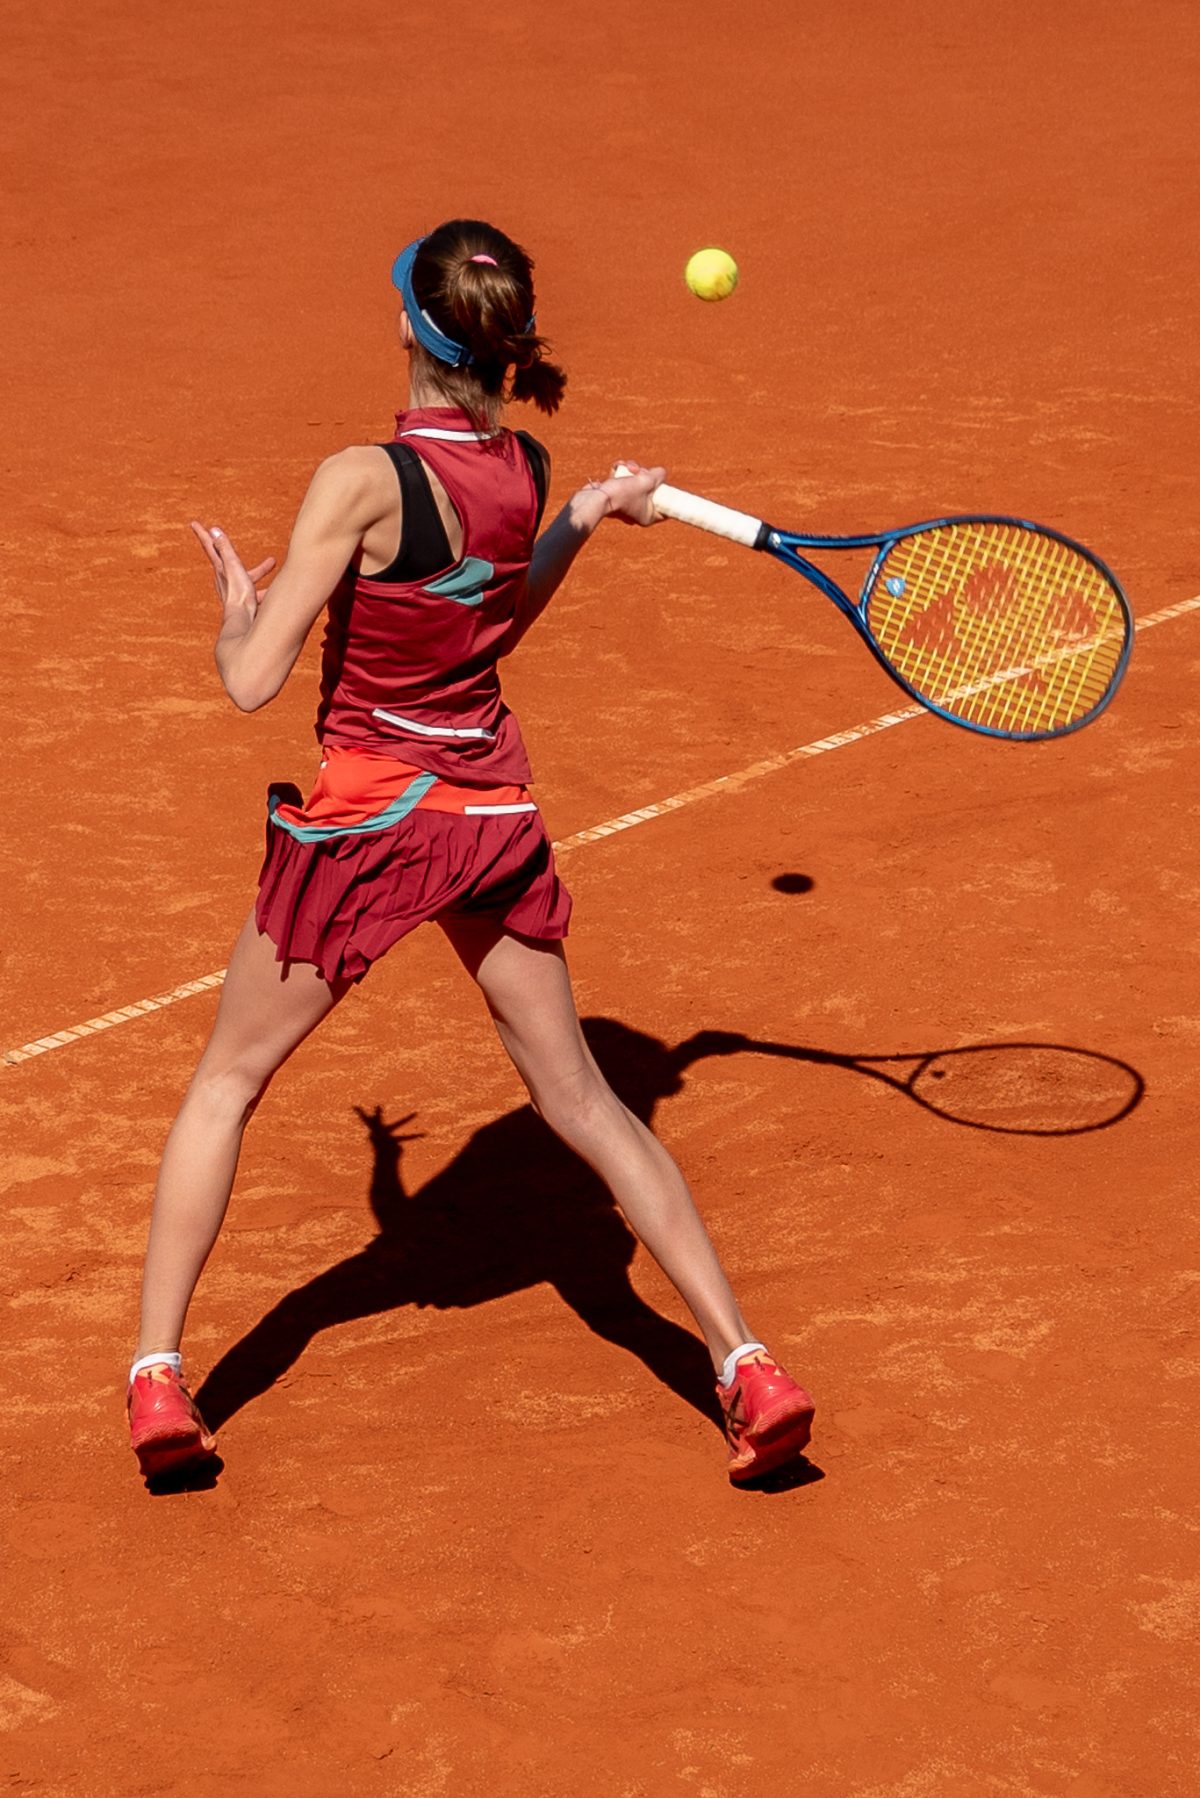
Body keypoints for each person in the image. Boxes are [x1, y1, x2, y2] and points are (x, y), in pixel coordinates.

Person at [127, 217, 815, 1487]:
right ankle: (747, 1363)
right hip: (489, 824)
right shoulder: (526, 467)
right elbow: (493, 628)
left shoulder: (359, 479)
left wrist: (233, 616)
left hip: (370, 830)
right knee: (586, 1105)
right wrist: (591, 513)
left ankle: (160, 1381)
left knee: (227, 1082)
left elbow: (250, 684)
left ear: (409, 325)